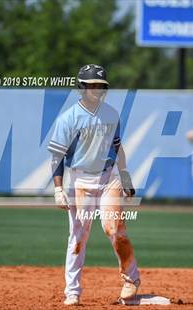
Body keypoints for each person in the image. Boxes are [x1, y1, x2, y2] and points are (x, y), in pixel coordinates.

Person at [47, 64, 140, 306]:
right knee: (78, 236)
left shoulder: (111, 114)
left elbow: (117, 148)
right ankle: (73, 291)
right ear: (82, 87)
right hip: (80, 180)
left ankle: (131, 280)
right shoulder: (68, 119)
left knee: (115, 229)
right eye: (92, 85)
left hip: (109, 178)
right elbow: (57, 157)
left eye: (101, 86)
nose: (98, 89)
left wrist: (126, 177)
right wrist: (58, 189)